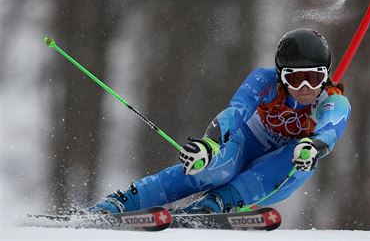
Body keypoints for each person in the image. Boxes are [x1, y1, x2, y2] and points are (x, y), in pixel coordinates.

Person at [89, 28, 351, 214]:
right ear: (281, 76)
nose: (305, 87)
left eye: (314, 78)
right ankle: (127, 200)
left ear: (326, 76)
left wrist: (313, 148)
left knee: (298, 161)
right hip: (245, 143)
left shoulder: (332, 100)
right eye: (295, 79)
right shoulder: (264, 81)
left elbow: (329, 130)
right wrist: (209, 145)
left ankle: (214, 205)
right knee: (216, 168)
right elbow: (236, 111)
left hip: (282, 160)